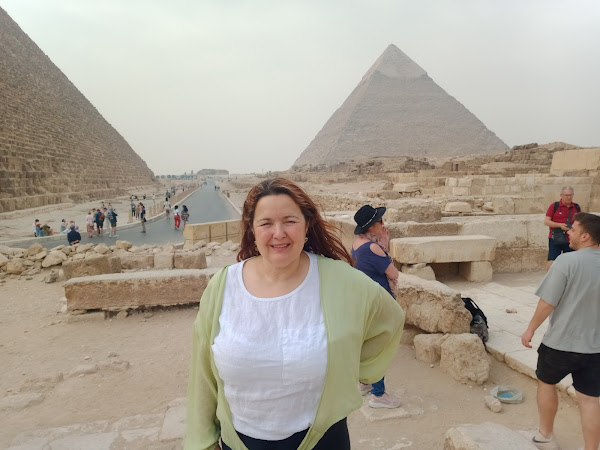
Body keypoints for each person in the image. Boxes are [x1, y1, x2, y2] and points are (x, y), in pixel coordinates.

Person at [185, 178, 405, 450]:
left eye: (289, 221)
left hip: (323, 440)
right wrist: (204, 443)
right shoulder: (222, 286)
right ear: (252, 228)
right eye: (266, 223)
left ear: (306, 224)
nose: (278, 233)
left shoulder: (342, 280)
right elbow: (203, 375)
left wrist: (350, 368)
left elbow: (389, 319)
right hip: (240, 441)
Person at [521, 212, 600, 450]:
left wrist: (530, 329)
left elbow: (548, 302)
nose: (569, 233)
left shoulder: (566, 261)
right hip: (595, 348)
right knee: (590, 400)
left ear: (585, 236)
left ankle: (545, 436)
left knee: (546, 384)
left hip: (560, 343)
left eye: (573, 229)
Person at [352, 204, 401, 409]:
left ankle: (364, 383)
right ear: (371, 226)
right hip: (379, 303)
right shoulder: (372, 248)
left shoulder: (357, 244)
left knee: (367, 344)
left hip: (364, 301)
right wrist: (384, 248)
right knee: (379, 348)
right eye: (380, 221)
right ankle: (378, 395)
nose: (383, 224)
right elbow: (393, 274)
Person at [544, 186, 580, 270]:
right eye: (566, 195)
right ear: (561, 195)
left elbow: (580, 222)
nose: (569, 197)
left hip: (571, 238)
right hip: (556, 237)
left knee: (572, 260)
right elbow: (546, 221)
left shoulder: (576, 207)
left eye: (570, 195)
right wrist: (560, 225)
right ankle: (550, 276)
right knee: (552, 260)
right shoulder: (554, 206)